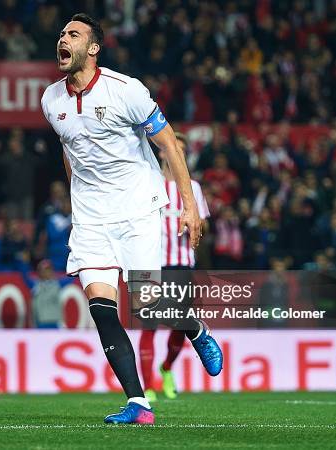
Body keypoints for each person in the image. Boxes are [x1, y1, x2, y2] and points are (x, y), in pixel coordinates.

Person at [41, 13, 222, 425]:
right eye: (61, 33)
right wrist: (76, 200)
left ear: (93, 48)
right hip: (90, 218)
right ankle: (139, 403)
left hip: (138, 209)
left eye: (73, 34)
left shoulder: (127, 91)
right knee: (103, 309)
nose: (62, 39)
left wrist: (190, 208)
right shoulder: (51, 100)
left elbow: (170, 147)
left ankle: (195, 330)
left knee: (149, 304)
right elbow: (70, 150)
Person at [138, 134, 212, 402]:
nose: (175, 153)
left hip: (180, 264)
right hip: (148, 265)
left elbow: (204, 225)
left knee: (180, 325)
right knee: (148, 326)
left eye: (180, 149)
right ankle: (147, 387)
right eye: (172, 148)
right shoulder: (147, 183)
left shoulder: (192, 187)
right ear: (161, 152)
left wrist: (194, 225)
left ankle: (166, 368)